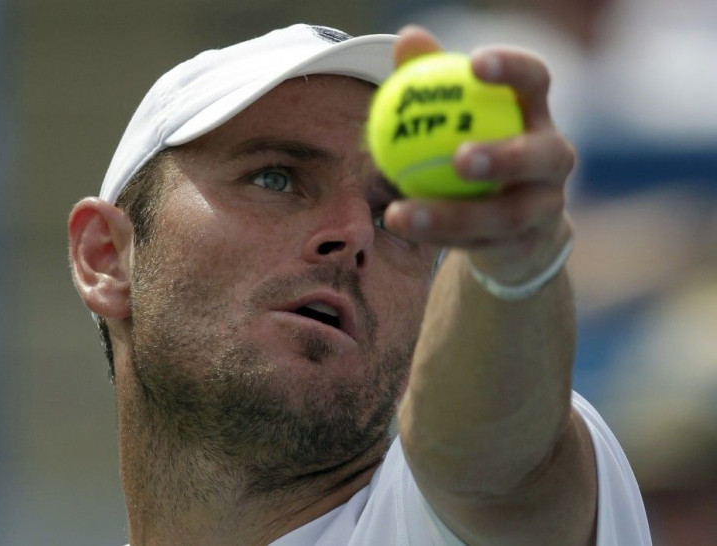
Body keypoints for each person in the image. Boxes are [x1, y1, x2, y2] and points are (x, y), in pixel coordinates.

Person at [67, 23, 651, 545]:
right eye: (275, 177)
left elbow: (496, 465)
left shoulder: (433, 517)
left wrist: (511, 269)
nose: (352, 233)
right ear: (106, 258)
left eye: (391, 215)